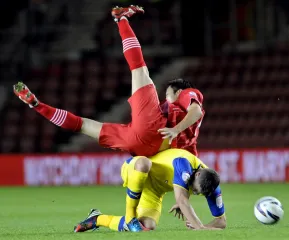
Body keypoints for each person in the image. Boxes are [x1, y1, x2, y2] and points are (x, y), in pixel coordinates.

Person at [13, 5, 204, 157]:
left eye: (168, 93)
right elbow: (191, 162)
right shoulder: (191, 143)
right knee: (83, 125)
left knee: (139, 69)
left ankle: (121, 18)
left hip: (152, 131)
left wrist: (175, 130)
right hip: (139, 145)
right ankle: (37, 105)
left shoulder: (186, 94)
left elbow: (196, 110)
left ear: (178, 91)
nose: (166, 96)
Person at [73, 148, 226, 232]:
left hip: (154, 190)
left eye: (197, 193)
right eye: (194, 188)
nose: (194, 192)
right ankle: (129, 217)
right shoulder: (183, 163)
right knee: (144, 163)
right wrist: (199, 227)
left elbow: (222, 222)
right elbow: (182, 199)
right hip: (136, 169)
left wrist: (205, 227)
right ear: (197, 173)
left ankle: (97, 219)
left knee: (147, 226)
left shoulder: (212, 185)